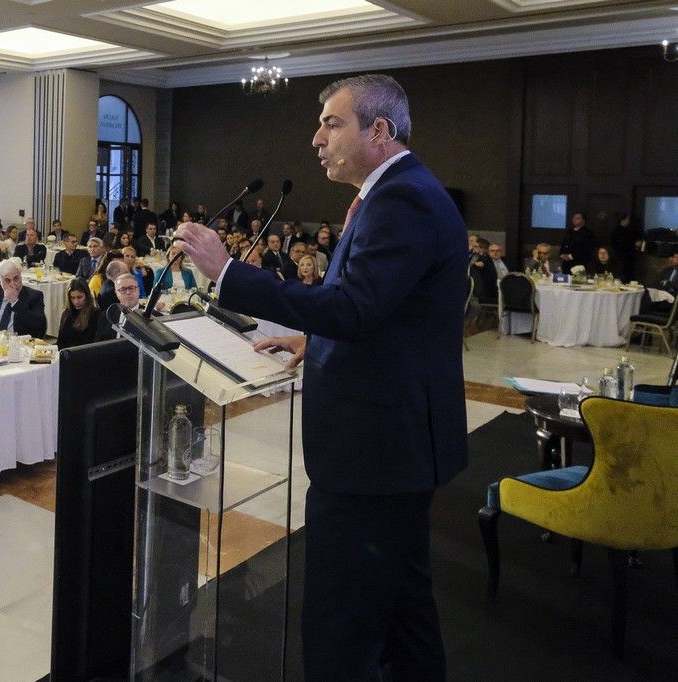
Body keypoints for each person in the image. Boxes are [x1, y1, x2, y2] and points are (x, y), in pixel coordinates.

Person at [175, 73, 466, 681]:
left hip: (373, 453)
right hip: (395, 446)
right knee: (404, 613)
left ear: (379, 131)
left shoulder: (401, 199)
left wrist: (229, 272)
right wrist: (315, 339)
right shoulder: (394, 194)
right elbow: (384, 310)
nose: (316, 138)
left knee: (341, 625)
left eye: (332, 123)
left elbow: (356, 309)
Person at [0, 259, 47, 337]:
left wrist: (15, 302)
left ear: (21, 276)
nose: (13, 284)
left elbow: (40, 328)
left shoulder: (34, 296)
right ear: (0, 282)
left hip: (19, 344)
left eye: (16, 278)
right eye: (7, 281)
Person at [94, 271, 142, 341]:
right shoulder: (106, 316)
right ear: (116, 293)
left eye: (131, 288)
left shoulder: (154, 317)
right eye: (123, 289)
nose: (128, 292)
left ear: (138, 290)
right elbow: (98, 344)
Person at [56, 278, 99, 349]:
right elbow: (60, 341)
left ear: (87, 296)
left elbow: (90, 344)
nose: (76, 302)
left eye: (79, 297)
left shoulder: (95, 314)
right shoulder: (66, 313)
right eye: (72, 298)